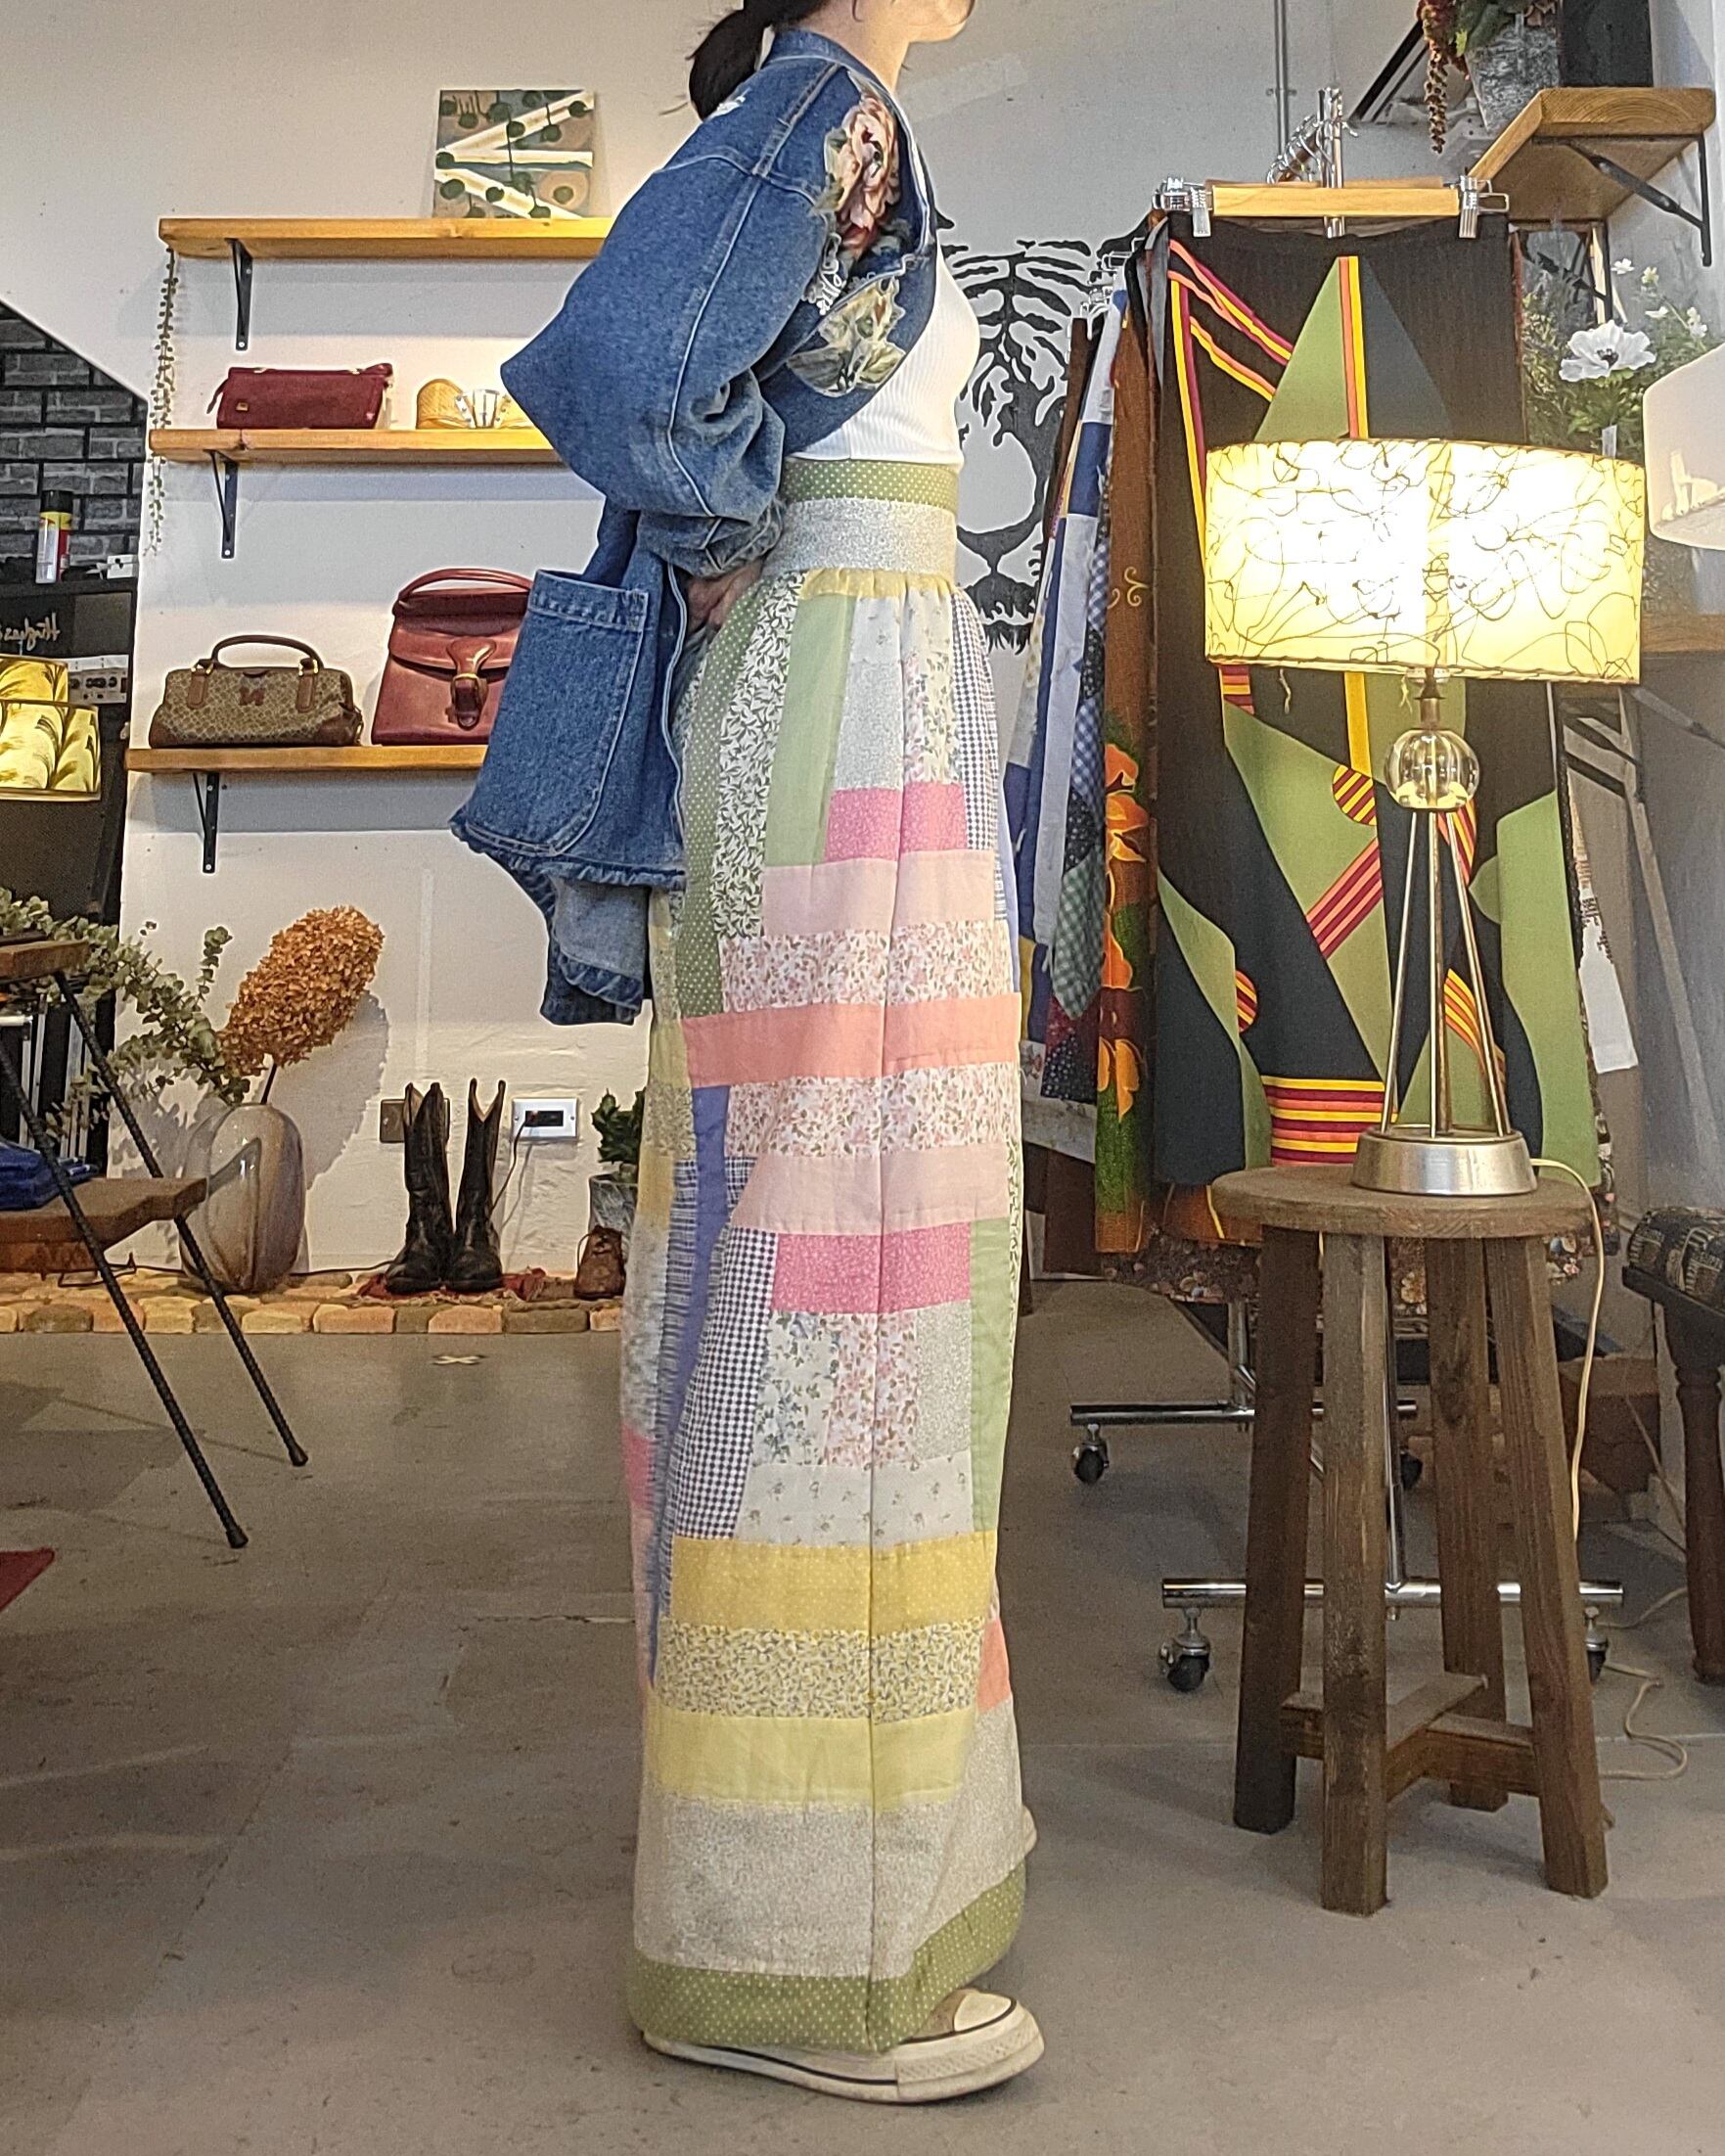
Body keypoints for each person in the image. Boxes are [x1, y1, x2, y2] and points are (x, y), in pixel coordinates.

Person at [480, 0, 1038, 2105]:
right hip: (840, 705)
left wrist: (742, 547)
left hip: (866, 704)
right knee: (832, 1298)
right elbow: (626, 360)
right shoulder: (828, 100)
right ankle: (795, 1946)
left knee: (857, 1287)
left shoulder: (845, 115)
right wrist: (728, 543)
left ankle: (827, 1885)